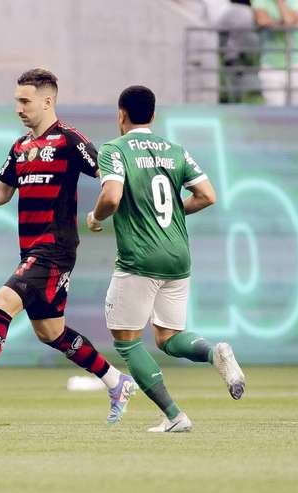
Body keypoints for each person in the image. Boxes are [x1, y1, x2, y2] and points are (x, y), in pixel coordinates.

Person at [0, 68, 136, 424]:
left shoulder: (70, 141)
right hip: (32, 251)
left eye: (25, 101)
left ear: (47, 100)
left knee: (2, 302)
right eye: (17, 101)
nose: (19, 108)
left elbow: (109, 177)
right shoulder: (21, 147)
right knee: (50, 332)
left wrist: (106, 212)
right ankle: (116, 382)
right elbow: (1, 192)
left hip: (55, 248)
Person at [86, 85, 246, 433]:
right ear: (153, 116)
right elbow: (207, 196)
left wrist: (96, 217)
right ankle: (212, 353)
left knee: (127, 343)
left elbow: (111, 197)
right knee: (167, 338)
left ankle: (175, 416)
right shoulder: (174, 151)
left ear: (121, 115)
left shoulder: (114, 149)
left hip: (140, 259)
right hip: (177, 256)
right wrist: (174, 213)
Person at [252, 0, 298, 106]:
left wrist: (279, 3)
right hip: (271, 64)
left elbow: (289, 21)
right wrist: (285, 23)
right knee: (274, 112)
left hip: (297, 62)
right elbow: (262, 20)